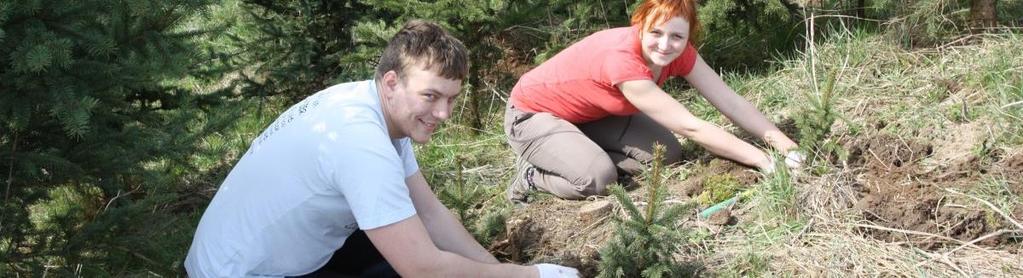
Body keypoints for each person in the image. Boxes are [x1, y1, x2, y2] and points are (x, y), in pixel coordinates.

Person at [185, 20, 579, 278]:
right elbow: (421, 268)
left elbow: (429, 212)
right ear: (391, 82)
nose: (443, 113)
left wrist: (495, 270)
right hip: (240, 271)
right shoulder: (358, 140)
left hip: (270, 254)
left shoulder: (374, 107)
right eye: (430, 95)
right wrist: (532, 274)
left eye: (452, 98)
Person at [504, 0, 804, 203]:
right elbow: (693, 128)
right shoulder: (622, 59)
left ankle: (577, 151)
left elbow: (731, 102)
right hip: (532, 115)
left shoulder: (681, 53)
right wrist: (764, 161)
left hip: (591, 115)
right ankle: (531, 175)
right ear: (640, 25)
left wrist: (786, 147)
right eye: (656, 32)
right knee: (598, 179)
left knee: (666, 154)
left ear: (689, 35)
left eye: (676, 36)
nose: (665, 44)